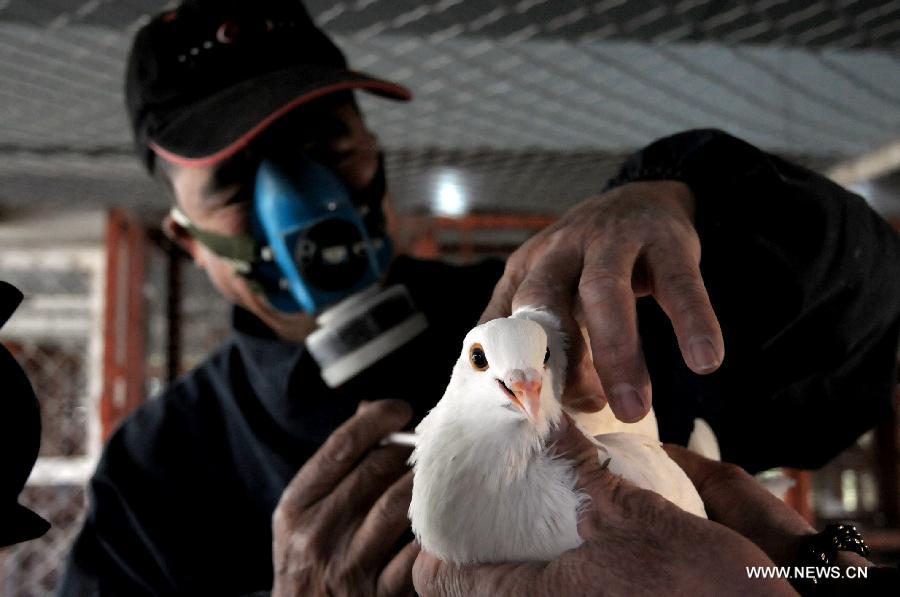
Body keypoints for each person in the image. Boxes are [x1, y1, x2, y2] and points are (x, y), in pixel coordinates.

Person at [60, 0, 900, 595]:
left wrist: (690, 191)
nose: (306, 199)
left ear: (373, 148)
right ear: (182, 234)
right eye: (241, 179)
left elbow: (858, 357)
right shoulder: (157, 474)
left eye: (326, 142)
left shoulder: (566, 320)